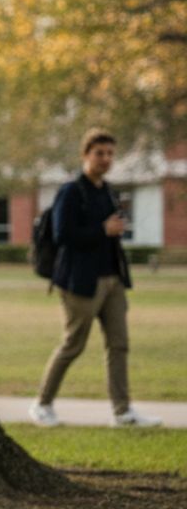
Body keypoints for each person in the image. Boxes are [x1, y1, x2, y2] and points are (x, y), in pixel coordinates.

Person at [31, 129, 162, 428]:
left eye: (110, 154)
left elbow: (111, 230)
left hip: (112, 280)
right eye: (99, 153)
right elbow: (62, 234)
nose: (106, 159)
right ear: (85, 155)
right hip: (79, 282)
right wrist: (102, 230)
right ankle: (42, 404)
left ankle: (123, 412)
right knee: (73, 344)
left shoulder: (108, 190)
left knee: (119, 345)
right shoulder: (71, 191)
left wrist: (114, 230)